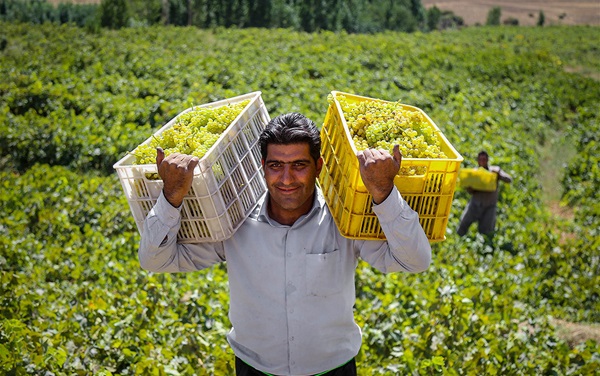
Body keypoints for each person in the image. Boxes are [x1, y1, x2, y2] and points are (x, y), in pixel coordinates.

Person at [138, 112, 431, 376]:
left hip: (333, 370)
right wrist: (172, 196)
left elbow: (414, 261)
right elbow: (157, 260)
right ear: (263, 166)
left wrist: (384, 192)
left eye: (299, 165)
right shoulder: (234, 222)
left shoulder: (343, 220)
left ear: (318, 166)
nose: (287, 178)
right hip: (254, 369)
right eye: (276, 165)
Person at [457, 150, 513, 237]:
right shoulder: (474, 173)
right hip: (475, 205)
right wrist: (469, 188)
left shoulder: (494, 171)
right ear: (477, 161)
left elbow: (509, 179)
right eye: (480, 159)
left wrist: (499, 175)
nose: (482, 161)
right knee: (463, 225)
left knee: (486, 232)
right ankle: (459, 242)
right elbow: (469, 191)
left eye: (484, 159)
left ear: (487, 160)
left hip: (489, 207)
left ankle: (484, 248)